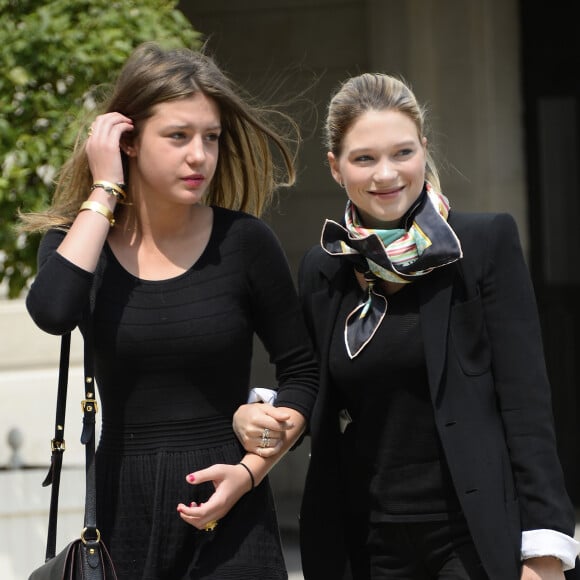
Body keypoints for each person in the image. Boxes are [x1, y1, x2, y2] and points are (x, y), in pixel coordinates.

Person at [234, 73, 580, 578]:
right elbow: (311, 386)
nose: (387, 175)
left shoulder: (483, 245)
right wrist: (262, 415)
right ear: (335, 168)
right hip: (365, 540)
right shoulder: (324, 266)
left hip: (472, 536)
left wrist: (544, 553)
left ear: (423, 149)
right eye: (364, 158)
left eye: (402, 153)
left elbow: (526, 405)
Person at [20, 41, 318, 580]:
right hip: (121, 514)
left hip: (233, 515)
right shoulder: (78, 243)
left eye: (210, 138)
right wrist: (104, 189)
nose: (199, 156)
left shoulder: (246, 244)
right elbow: (53, 312)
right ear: (128, 141)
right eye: (178, 136)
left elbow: (303, 372)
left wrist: (250, 472)